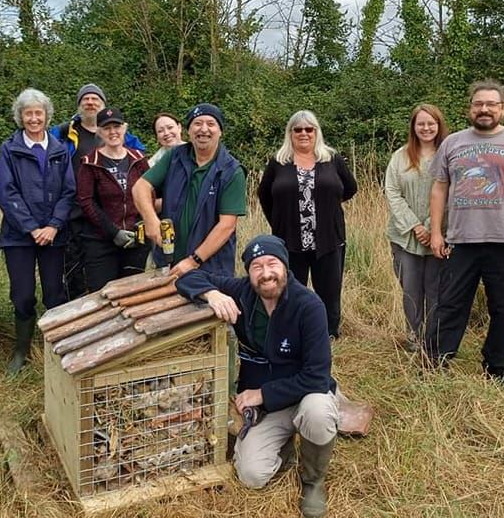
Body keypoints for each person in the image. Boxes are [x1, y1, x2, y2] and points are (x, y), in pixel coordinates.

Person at [176, 235, 339, 518]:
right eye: (257, 266)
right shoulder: (241, 291)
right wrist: (211, 294)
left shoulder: (309, 306)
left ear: (285, 267)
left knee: (318, 412)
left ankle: (313, 480)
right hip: (267, 408)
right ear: (248, 272)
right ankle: (285, 442)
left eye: (272, 264)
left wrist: (261, 394)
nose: (266, 274)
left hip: (303, 394)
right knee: (252, 476)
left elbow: (316, 378)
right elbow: (186, 277)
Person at [428, 80, 504, 380]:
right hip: (461, 239)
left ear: (502, 109)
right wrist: (437, 232)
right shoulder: (453, 143)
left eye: (492, 104)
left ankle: (498, 366)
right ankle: (437, 362)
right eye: (479, 104)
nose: (484, 109)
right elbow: (439, 188)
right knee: (450, 304)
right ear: (470, 108)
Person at [0, 88, 76, 375]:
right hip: (19, 237)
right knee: (23, 295)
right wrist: (31, 228)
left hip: (54, 237)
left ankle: (56, 349)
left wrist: (53, 225)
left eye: (38, 113)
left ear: (46, 116)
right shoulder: (10, 150)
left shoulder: (59, 150)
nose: (33, 118)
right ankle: (21, 351)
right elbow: (6, 192)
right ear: (20, 117)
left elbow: (69, 192)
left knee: (54, 294)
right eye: (28, 113)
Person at [258, 111, 357, 339]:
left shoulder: (331, 159)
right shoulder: (278, 163)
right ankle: (293, 334)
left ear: (316, 132)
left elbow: (350, 188)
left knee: (330, 293)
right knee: (290, 292)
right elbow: (264, 196)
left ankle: (328, 335)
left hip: (329, 240)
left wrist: (327, 207)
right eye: (298, 129)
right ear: (290, 133)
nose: (304, 133)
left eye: (309, 129)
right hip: (289, 241)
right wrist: (279, 222)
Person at [50, 83, 144, 298]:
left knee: (129, 289)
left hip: (125, 228)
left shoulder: (132, 149)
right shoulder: (69, 140)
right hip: (82, 221)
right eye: (86, 99)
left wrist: (144, 219)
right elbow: (85, 200)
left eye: (96, 99)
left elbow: (145, 187)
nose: (90, 102)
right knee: (86, 280)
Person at [133, 103, 246, 277]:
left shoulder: (231, 170)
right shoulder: (175, 156)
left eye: (211, 124)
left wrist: (193, 261)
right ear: (188, 130)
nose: (204, 129)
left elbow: (227, 226)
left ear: (220, 131)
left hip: (211, 268)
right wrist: (150, 220)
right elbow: (140, 187)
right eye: (197, 123)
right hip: (168, 263)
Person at [385, 104, 449, 352]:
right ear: (413, 126)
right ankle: (414, 336)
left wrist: (432, 228)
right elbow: (392, 192)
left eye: (431, 123)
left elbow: (451, 192)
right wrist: (415, 226)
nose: (426, 128)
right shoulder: (400, 156)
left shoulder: (448, 154)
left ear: (439, 125)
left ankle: (433, 338)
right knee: (411, 290)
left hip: (439, 236)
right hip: (405, 238)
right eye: (421, 123)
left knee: (435, 290)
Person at [77, 107, 150, 290]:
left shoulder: (139, 159)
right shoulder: (89, 163)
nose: (112, 132)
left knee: (133, 295)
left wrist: (142, 225)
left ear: (124, 128)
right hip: (101, 242)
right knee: (103, 294)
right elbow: (86, 202)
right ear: (100, 131)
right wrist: (114, 232)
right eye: (106, 128)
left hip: (135, 240)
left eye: (116, 126)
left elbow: (150, 193)